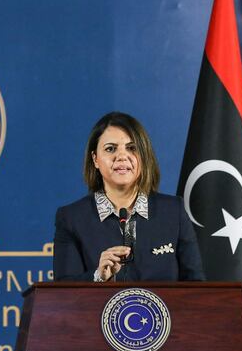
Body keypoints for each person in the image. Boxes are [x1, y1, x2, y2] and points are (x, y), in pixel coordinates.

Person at [54, 112, 203, 282]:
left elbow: (196, 285)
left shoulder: (173, 211)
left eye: (132, 148)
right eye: (110, 149)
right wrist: (98, 277)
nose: (122, 156)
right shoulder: (72, 218)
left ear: (144, 156)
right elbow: (62, 294)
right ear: (95, 159)